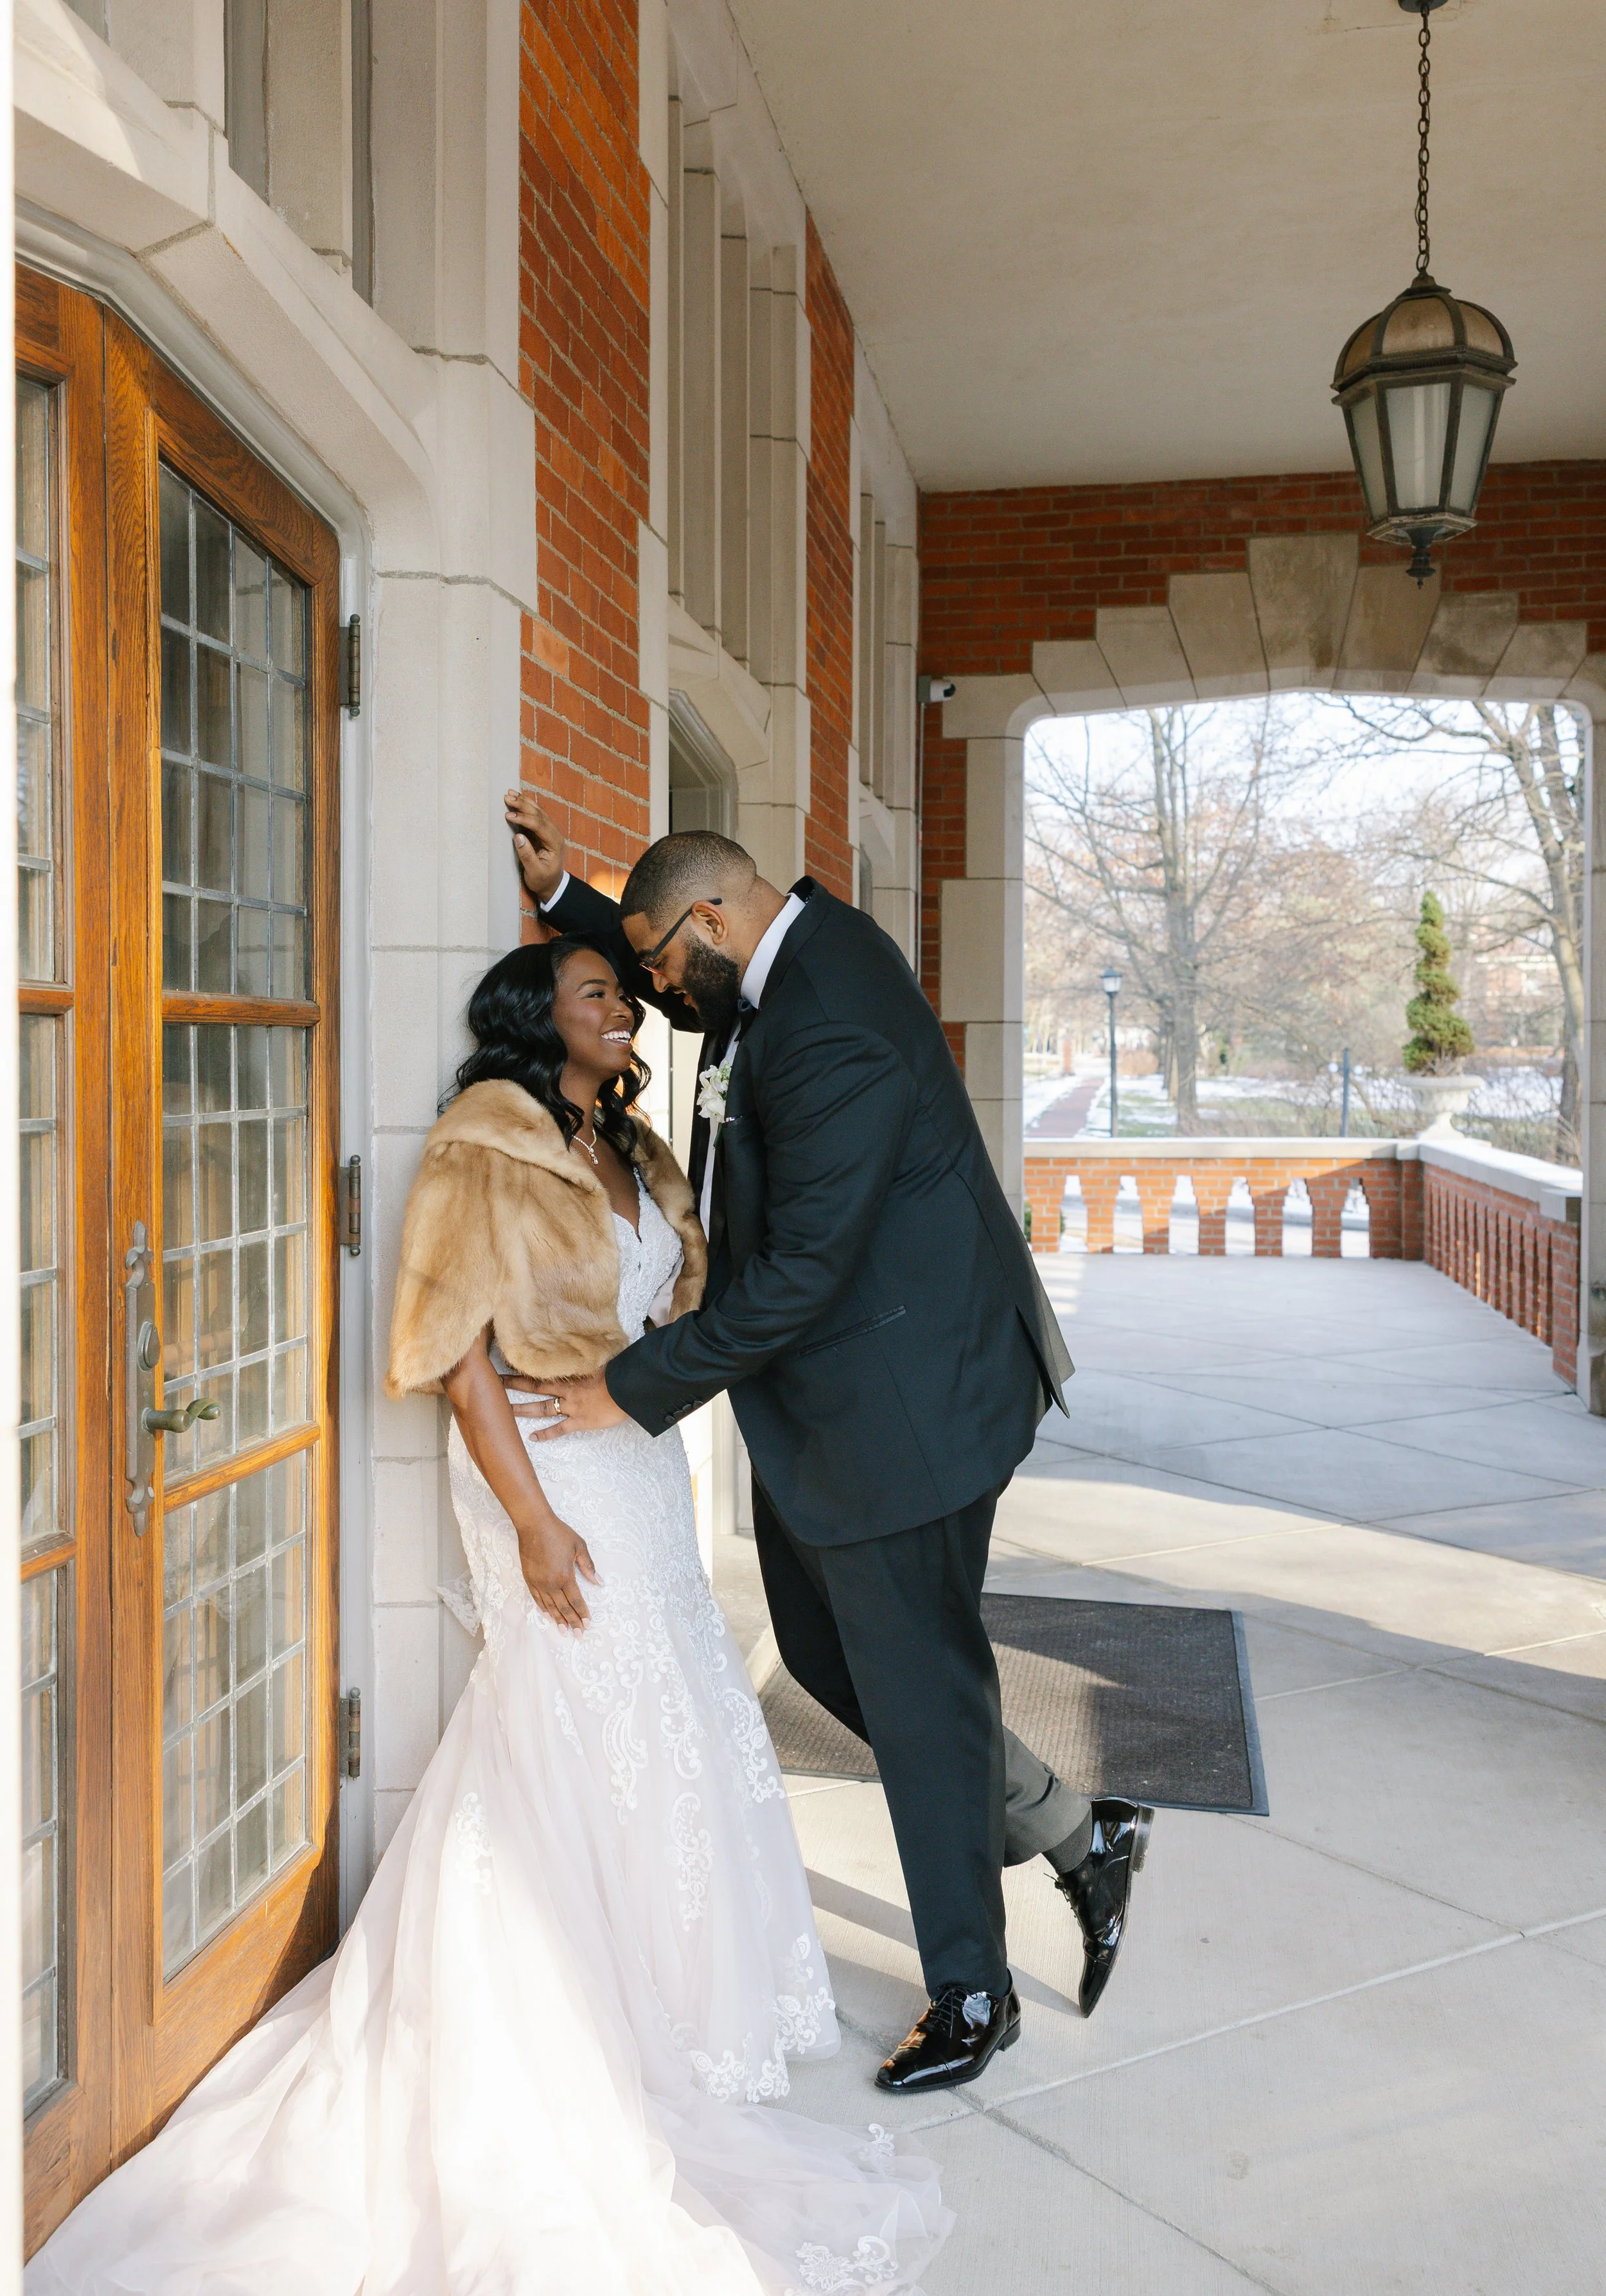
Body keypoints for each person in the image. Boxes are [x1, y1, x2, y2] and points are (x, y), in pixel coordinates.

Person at [27, 939, 949, 2296]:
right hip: (538, 1471)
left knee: (667, 1718)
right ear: (537, 1020)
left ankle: (671, 2009)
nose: (622, 1006)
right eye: (594, 992)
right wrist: (528, 1518)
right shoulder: (480, 1144)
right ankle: (538, 2014)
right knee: (566, 1721)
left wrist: (644, 1407)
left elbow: (676, 1307)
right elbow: (457, 1354)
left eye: (622, 992)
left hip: (631, 1461)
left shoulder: (630, 1141)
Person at [506, 792, 1152, 2094]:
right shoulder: (798, 946)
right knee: (826, 1652)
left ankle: (972, 1989)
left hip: (907, 1405)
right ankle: (1081, 1833)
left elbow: (798, 1274)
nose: (651, 993)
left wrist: (624, 1389)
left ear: (705, 918)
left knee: (913, 1689)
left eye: (650, 964)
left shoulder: (825, 1025)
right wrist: (575, 903)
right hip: (862, 1391)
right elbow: (681, 962)